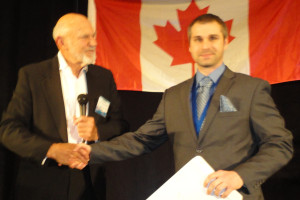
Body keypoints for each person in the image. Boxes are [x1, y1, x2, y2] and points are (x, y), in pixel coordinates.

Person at [72, 14, 293, 200]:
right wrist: (90, 151)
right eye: (198, 39)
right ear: (189, 45)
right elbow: (141, 140)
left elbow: (280, 145)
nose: (205, 45)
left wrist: (239, 176)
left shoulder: (251, 89)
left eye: (213, 38)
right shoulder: (173, 96)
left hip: (236, 195)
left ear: (226, 42)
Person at [0, 13, 128, 200]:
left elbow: (120, 125)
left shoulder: (103, 77)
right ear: (61, 42)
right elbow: (8, 130)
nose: (93, 42)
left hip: (90, 183)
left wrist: (97, 132)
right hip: (42, 182)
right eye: (85, 37)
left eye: (93, 36)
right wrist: (51, 149)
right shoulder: (33, 76)